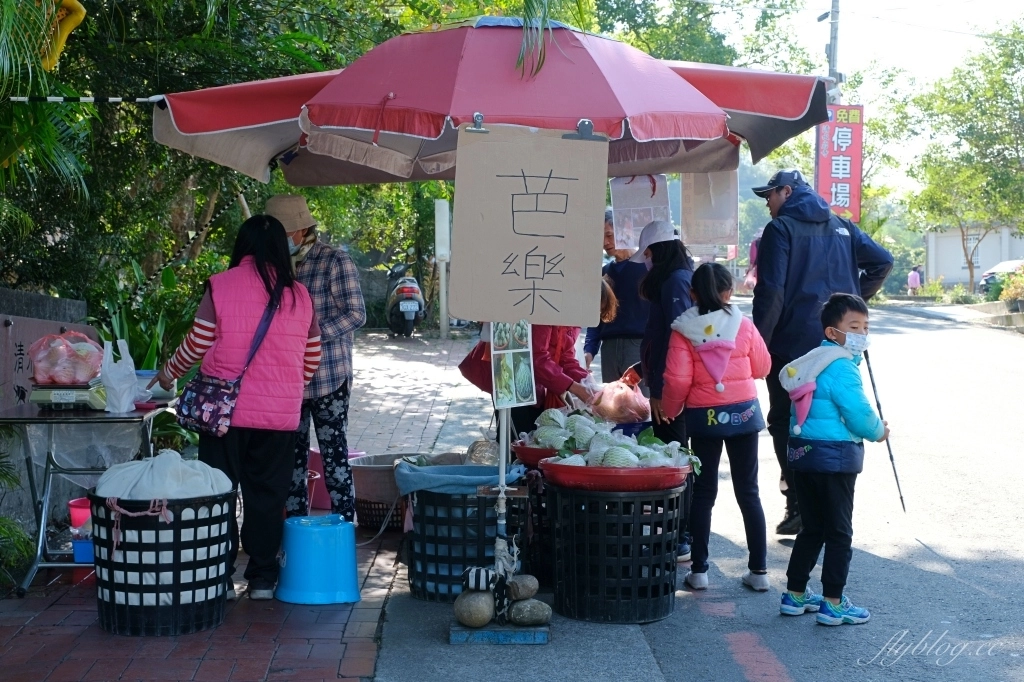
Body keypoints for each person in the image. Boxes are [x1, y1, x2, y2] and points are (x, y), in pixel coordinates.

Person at [152, 215, 321, 600]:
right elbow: (311, 357)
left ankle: (219, 576)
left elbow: (197, 344)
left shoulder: (220, 285)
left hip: (221, 414)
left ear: (242, 245)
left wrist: (167, 374)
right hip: (278, 418)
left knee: (219, 491)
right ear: (282, 247)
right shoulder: (300, 295)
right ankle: (262, 579)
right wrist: (289, 388)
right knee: (267, 495)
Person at [751, 169, 893, 536]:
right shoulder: (841, 226)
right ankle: (832, 505)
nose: (767, 203)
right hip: (839, 342)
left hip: (792, 346)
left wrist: (757, 344)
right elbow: (883, 261)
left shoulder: (780, 230)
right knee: (837, 415)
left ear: (787, 191)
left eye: (769, 195)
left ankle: (800, 500)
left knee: (788, 421)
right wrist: (852, 308)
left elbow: (772, 292)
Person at [778, 293, 888, 625]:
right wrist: (878, 430)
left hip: (804, 454)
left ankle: (795, 594)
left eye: (865, 327)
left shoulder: (812, 361)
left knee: (812, 527)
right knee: (839, 531)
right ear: (832, 332)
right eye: (854, 326)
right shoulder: (842, 367)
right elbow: (857, 413)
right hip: (835, 457)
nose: (861, 333)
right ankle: (833, 602)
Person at [662, 263, 771, 588]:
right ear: (728, 292)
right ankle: (759, 572)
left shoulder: (683, 330)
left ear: (692, 293)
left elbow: (678, 380)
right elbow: (763, 366)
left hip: (704, 416)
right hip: (742, 415)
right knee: (748, 491)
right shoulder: (744, 325)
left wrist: (670, 409)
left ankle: (699, 571)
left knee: (704, 492)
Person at [266, 195, 367, 521]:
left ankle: (343, 528)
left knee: (334, 457)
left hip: (328, 378)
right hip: (289, 380)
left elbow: (356, 314)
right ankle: (296, 532)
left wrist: (309, 334)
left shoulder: (334, 260)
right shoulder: (276, 265)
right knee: (290, 461)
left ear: (298, 230)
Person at [632, 219, 695, 560]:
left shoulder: (674, 281)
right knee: (675, 453)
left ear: (657, 252)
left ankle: (682, 535)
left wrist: (660, 389)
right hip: (667, 383)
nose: (645, 262)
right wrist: (643, 369)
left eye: (647, 254)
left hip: (672, 389)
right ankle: (677, 530)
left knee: (676, 457)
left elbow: (675, 341)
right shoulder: (678, 278)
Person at [584, 210, 650, 388]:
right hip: (609, 350)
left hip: (639, 347)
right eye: (601, 237)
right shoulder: (605, 272)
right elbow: (596, 316)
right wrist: (589, 350)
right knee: (614, 410)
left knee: (641, 409)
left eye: (609, 235)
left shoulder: (648, 268)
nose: (605, 243)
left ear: (625, 231)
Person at [509, 325, 594, 437]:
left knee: (536, 437)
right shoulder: (547, 313)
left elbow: (565, 357)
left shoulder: (574, 320)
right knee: (517, 439)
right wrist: (575, 387)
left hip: (539, 386)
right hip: (513, 380)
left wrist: (588, 383)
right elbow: (537, 358)